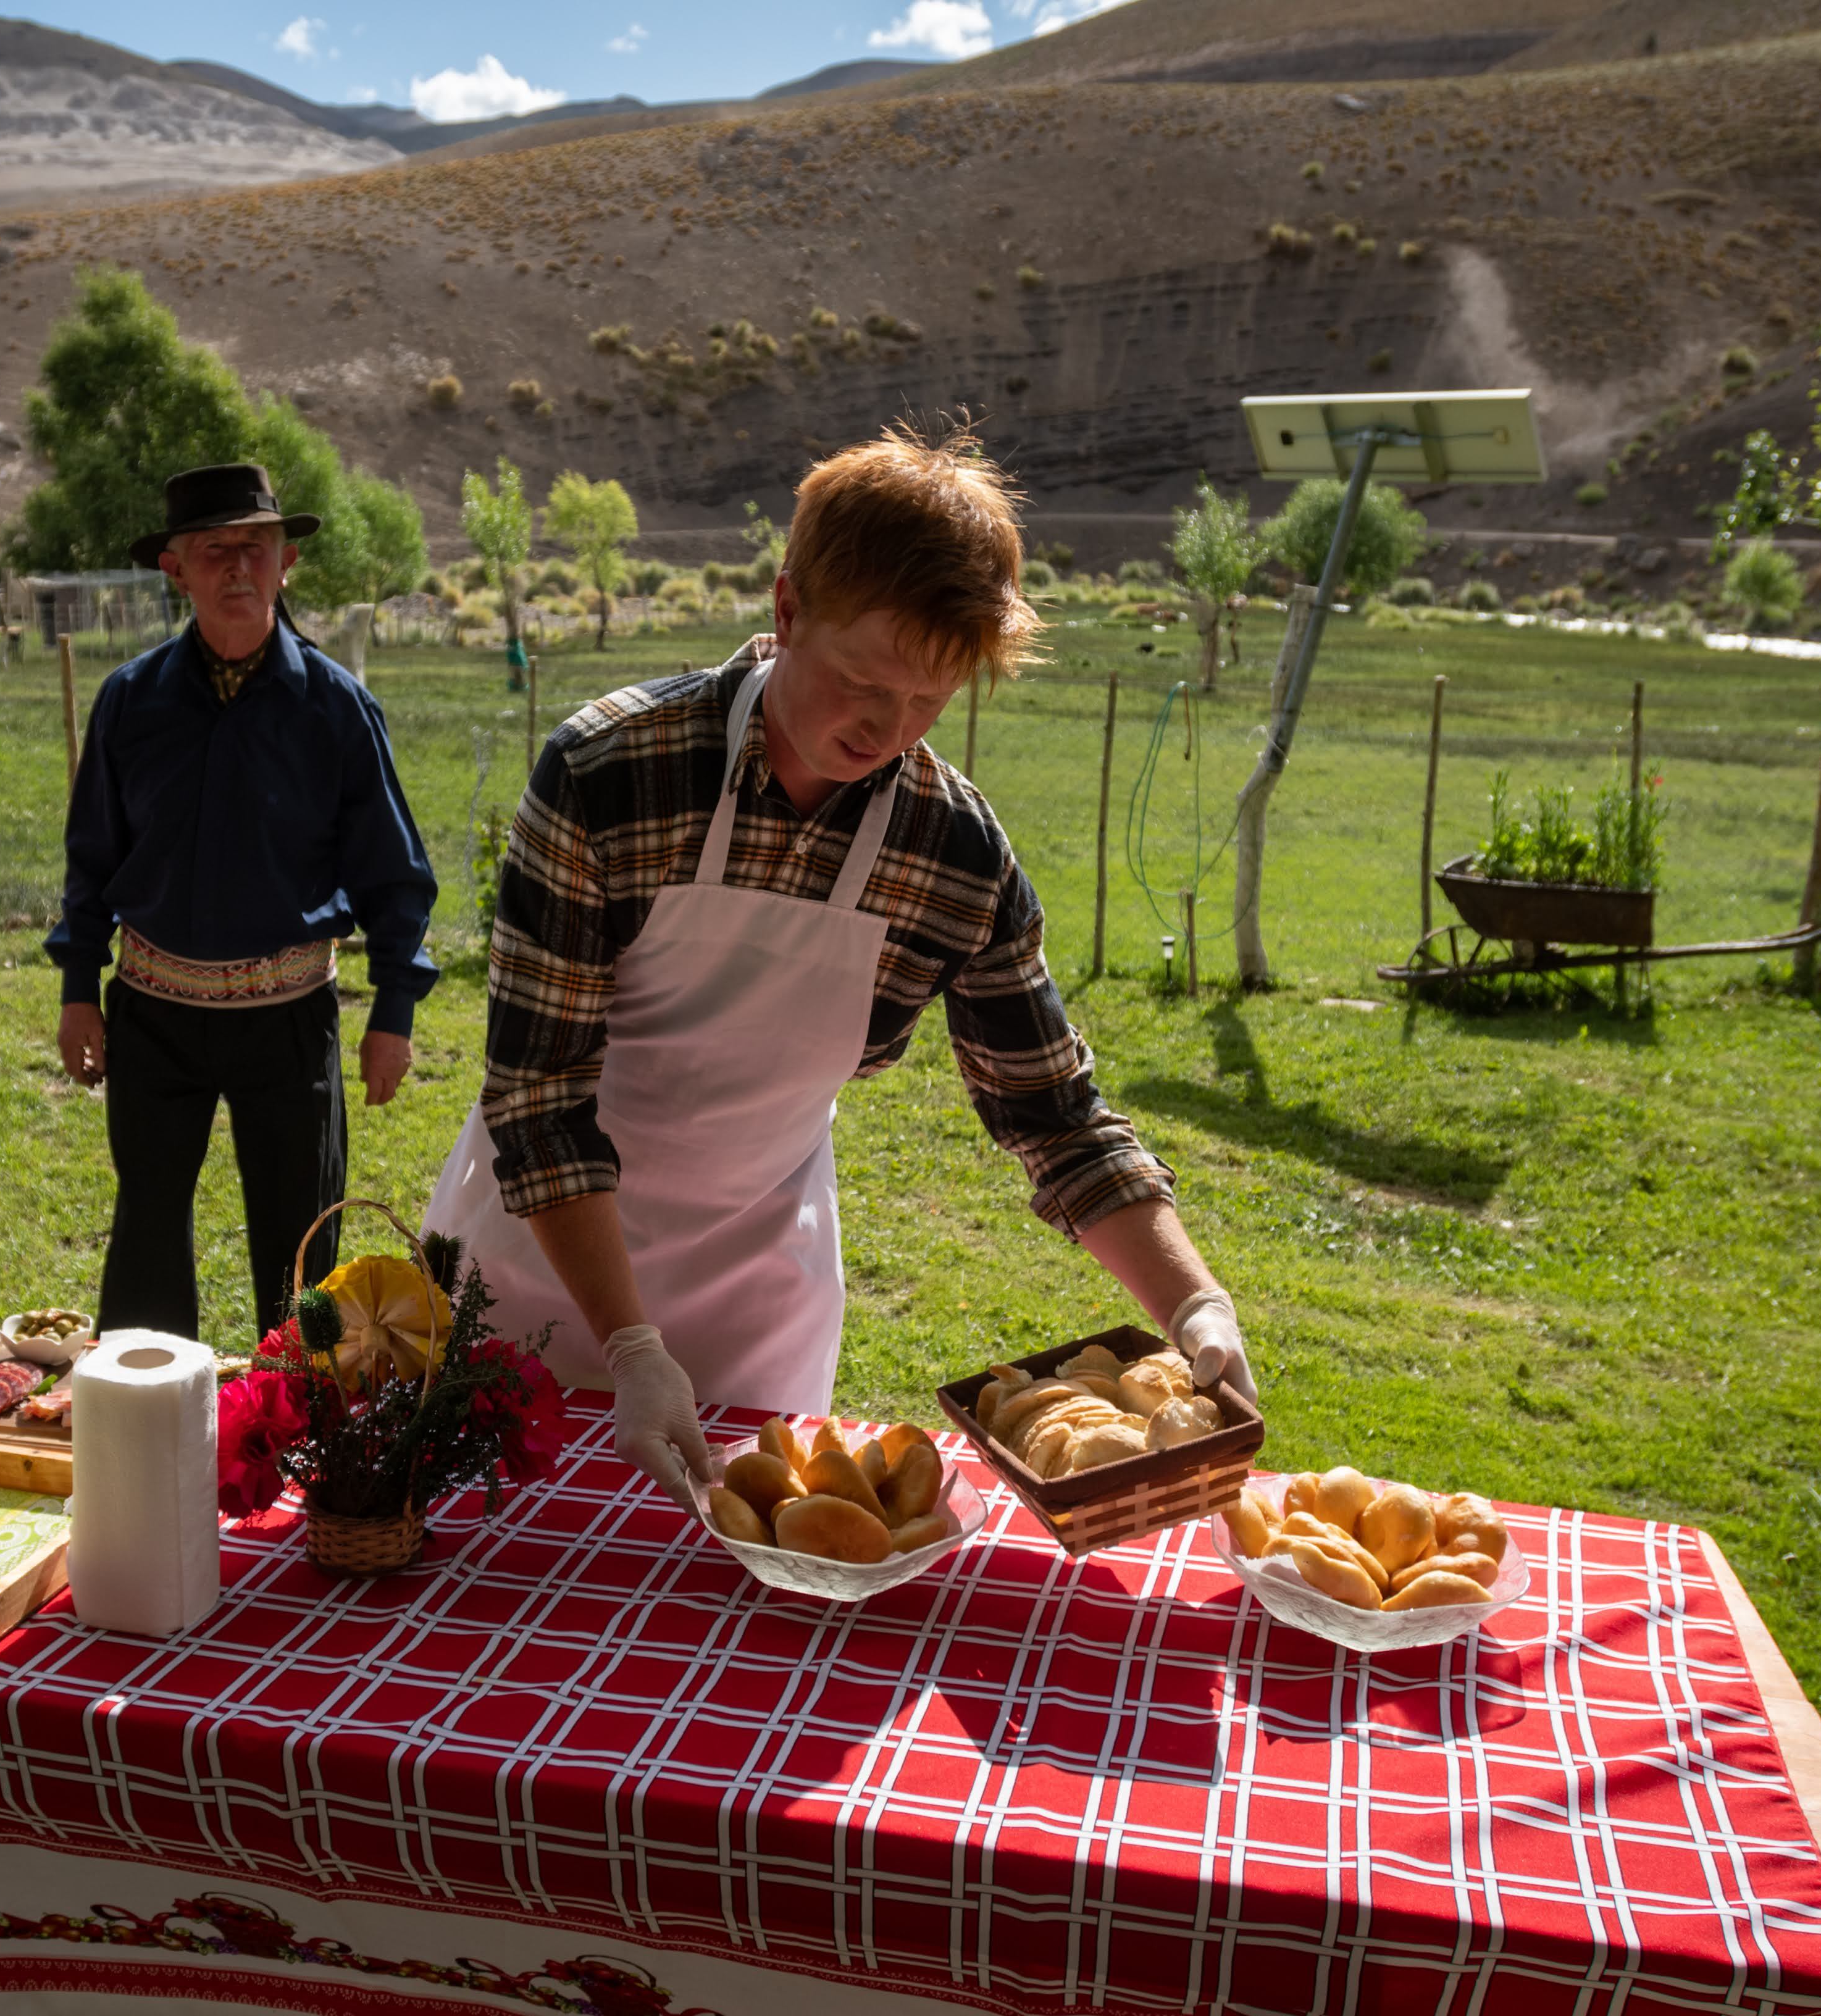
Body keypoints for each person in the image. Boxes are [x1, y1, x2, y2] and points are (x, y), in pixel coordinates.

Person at [425, 424, 1254, 1510]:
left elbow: (1051, 1112)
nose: (890, 728)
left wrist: (1193, 1303)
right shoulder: (610, 774)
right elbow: (538, 1097)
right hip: (537, 1260)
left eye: (928, 702)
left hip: (755, 1289)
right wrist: (627, 1344)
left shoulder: (950, 853)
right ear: (785, 612)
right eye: (864, 683)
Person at [48, 463, 438, 1344]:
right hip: (152, 1013)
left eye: (253, 549)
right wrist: (78, 986)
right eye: (212, 549)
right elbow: (91, 861)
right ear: (174, 569)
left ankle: (301, 1438)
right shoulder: (128, 702)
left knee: (300, 1246)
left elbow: (395, 872)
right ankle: (148, 1433)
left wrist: (395, 1012)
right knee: (146, 1229)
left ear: (286, 561)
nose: (235, 569)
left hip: (289, 1017)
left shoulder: (336, 708)